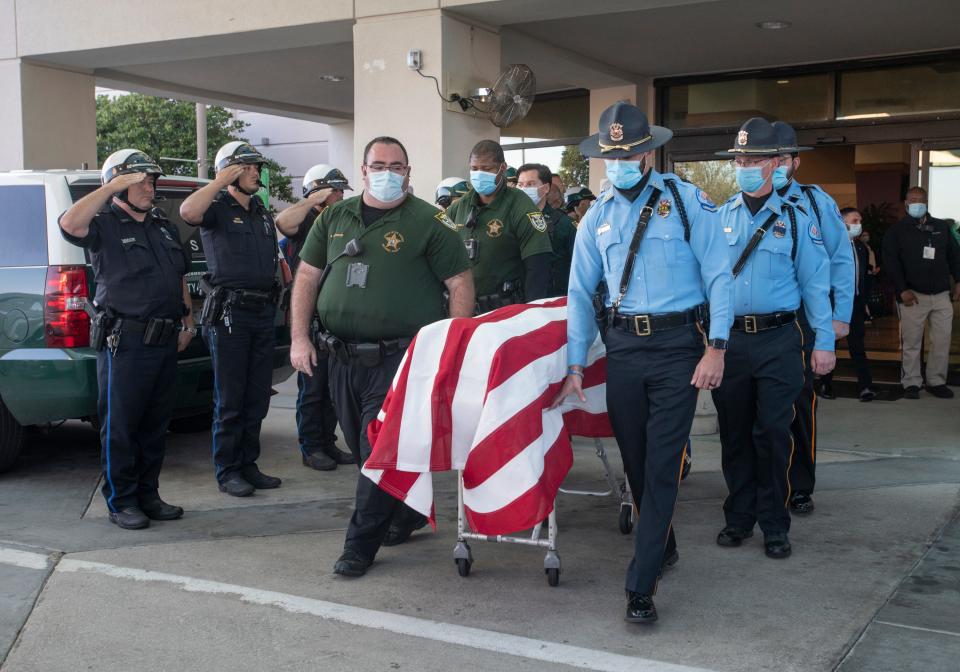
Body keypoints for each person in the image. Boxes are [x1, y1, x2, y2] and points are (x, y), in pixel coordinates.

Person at [552, 101, 732, 624]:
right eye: (611, 156)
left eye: (628, 153)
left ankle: (641, 582)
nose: (620, 162)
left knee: (661, 464)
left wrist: (716, 346)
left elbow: (718, 273)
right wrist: (575, 367)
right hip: (624, 349)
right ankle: (665, 542)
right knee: (634, 459)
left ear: (647, 152)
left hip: (680, 348)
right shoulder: (596, 217)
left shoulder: (686, 200)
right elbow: (579, 295)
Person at [289, 136, 475, 577]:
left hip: (399, 359)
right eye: (379, 165)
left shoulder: (432, 221)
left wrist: (450, 347)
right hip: (339, 358)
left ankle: (359, 545)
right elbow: (307, 278)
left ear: (409, 173)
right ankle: (406, 511)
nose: (388, 173)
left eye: (397, 167)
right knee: (361, 448)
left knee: (375, 450)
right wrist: (299, 338)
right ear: (363, 169)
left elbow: (461, 284)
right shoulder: (334, 216)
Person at [713, 117, 835, 561]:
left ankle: (774, 523)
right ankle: (739, 515)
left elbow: (816, 284)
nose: (745, 165)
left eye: (754, 159)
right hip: (731, 343)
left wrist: (824, 341)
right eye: (740, 158)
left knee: (774, 432)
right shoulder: (718, 218)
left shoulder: (798, 219)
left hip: (780, 338)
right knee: (734, 433)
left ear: (775, 164)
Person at [59, 149, 193, 529]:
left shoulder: (162, 225)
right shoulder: (103, 223)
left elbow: (178, 276)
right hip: (127, 340)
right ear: (118, 185)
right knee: (121, 426)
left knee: (155, 423)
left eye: (151, 181)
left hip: (166, 338)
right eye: (141, 182)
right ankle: (121, 501)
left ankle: (148, 495)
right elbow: (70, 224)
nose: (150, 187)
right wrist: (112, 186)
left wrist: (188, 321)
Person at [180, 141, 284, 497]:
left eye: (257, 166)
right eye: (249, 166)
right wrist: (217, 181)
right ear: (231, 172)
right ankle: (227, 470)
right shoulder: (217, 207)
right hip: (230, 314)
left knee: (257, 395)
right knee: (231, 397)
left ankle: (248, 463)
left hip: (262, 311)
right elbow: (188, 212)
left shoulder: (260, 210)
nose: (257, 172)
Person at [772, 121, 854, 515]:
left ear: (795, 162)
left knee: (799, 404)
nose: (775, 165)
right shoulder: (739, 203)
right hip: (761, 320)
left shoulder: (816, 201)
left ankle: (799, 484)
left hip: (806, 316)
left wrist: (840, 317)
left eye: (782, 158)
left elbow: (841, 259)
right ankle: (762, 483)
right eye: (768, 158)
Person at [276, 165, 355, 471]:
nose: (340, 195)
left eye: (340, 190)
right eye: (334, 190)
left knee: (331, 389)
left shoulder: (340, 220)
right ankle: (311, 447)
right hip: (308, 316)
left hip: (334, 315)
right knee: (312, 387)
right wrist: (313, 199)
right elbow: (283, 222)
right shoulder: (306, 218)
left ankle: (327, 442)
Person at [446, 140, 553, 311]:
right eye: (474, 168)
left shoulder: (521, 205)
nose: (479, 174)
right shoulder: (459, 207)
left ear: (502, 168)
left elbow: (538, 268)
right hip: (464, 312)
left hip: (504, 312)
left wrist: (531, 314)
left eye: (487, 169)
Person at [882, 186, 960, 399]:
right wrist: (902, 289)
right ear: (906, 204)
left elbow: (954, 256)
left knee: (942, 340)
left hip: (942, 294)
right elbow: (891, 262)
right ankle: (912, 383)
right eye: (912, 199)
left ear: (926, 203)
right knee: (912, 342)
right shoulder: (896, 231)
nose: (916, 203)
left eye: (920, 199)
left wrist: (959, 280)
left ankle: (936, 381)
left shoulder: (941, 227)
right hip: (912, 296)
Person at [819, 208, 876, 401]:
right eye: (854, 220)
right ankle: (825, 384)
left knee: (857, 346)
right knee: (829, 345)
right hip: (833, 303)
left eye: (859, 220)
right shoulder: (829, 246)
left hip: (856, 304)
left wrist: (864, 302)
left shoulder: (860, 248)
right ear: (842, 223)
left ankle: (865, 386)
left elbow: (863, 278)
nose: (858, 224)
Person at [517, 163, 577, 296]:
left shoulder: (565, 224)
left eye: (530, 184)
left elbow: (580, 267)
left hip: (554, 302)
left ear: (546, 188)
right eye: (520, 185)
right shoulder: (513, 221)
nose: (524, 189)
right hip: (519, 303)